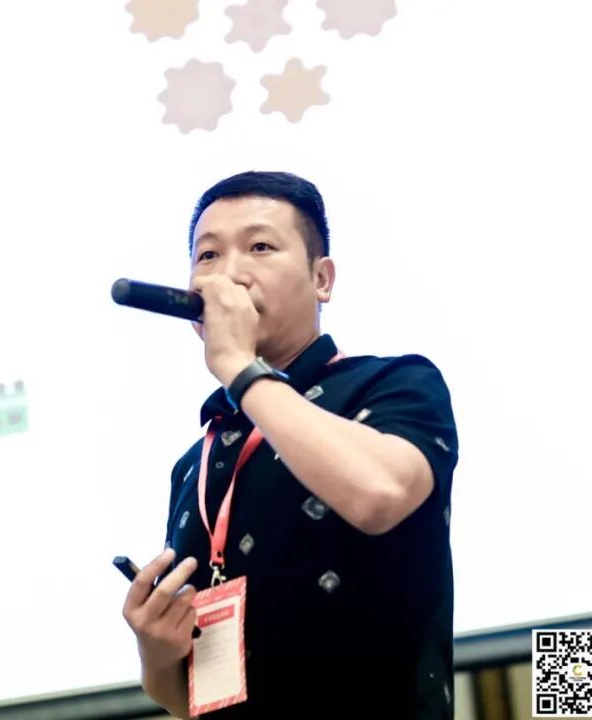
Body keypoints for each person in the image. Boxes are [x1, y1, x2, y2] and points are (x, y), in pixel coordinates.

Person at [121, 171, 459, 718]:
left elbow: (380, 493)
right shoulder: (196, 464)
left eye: (259, 247)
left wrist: (238, 366)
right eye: (208, 256)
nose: (228, 274)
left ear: (321, 279)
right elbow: (192, 698)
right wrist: (157, 657)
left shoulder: (394, 384)